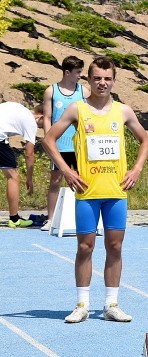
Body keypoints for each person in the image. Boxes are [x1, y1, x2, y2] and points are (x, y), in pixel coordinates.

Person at [43, 56, 148, 323]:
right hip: (87, 191)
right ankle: (82, 304)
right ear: (88, 80)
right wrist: (67, 170)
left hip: (116, 191)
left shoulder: (123, 111)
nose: (102, 83)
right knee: (85, 246)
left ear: (114, 80)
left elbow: (145, 139)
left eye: (107, 78)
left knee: (115, 246)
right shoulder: (77, 109)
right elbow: (48, 139)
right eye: (97, 78)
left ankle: (111, 304)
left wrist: (136, 169)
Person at [42, 55, 89, 231]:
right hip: (59, 145)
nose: (80, 75)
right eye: (78, 72)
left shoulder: (83, 92)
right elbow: (47, 117)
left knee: (81, 180)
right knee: (55, 181)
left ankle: (82, 217)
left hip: (78, 144)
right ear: (67, 72)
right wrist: (49, 140)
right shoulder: (51, 91)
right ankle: (51, 218)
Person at [0, 102, 43, 228]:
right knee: (13, 176)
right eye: (42, 125)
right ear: (40, 117)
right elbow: (29, 154)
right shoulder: (31, 122)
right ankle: (14, 219)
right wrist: (29, 178)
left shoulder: (19, 108)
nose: (41, 128)